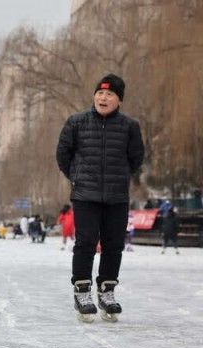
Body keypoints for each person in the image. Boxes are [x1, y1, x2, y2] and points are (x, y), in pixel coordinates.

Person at [56, 73, 144, 322]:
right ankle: (82, 291)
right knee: (85, 242)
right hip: (85, 194)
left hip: (117, 195)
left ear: (119, 100)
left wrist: (121, 176)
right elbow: (63, 153)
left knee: (114, 244)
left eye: (109, 94)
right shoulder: (76, 122)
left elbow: (136, 158)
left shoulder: (130, 126)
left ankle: (107, 291)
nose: (103, 98)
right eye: (100, 93)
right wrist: (76, 177)